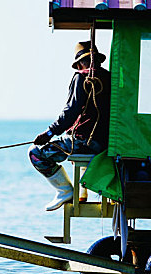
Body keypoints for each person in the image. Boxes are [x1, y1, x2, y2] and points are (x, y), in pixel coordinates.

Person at [29, 41, 111, 211]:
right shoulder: (111, 78)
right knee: (72, 142)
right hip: (107, 144)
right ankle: (82, 193)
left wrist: (50, 132)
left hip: (86, 143)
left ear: (80, 63)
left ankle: (65, 190)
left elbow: (71, 111)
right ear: (99, 60)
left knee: (36, 153)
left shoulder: (81, 77)